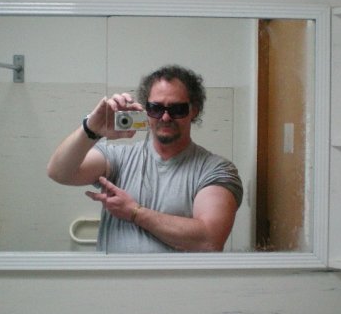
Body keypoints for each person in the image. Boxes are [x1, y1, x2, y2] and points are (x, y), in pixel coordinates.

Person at [47, 65, 243, 252]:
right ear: (146, 111)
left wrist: (134, 212)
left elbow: (209, 240)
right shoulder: (119, 158)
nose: (165, 117)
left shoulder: (215, 169)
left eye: (177, 109)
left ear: (194, 110)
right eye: (156, 108)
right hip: (114, 277)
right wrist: (91, 129)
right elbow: (59, 173)